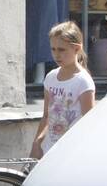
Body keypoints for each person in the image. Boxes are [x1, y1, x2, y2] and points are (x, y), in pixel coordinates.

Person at [30, 21, 95, 158]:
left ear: (77, 49)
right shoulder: (51, 77)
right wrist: (36, 143)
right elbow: (46, 116)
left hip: (72, 152)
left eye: (62, 50)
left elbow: (88, 122)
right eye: (53, 49)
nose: (56, 55)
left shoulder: (83, 81)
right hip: (50, 148)